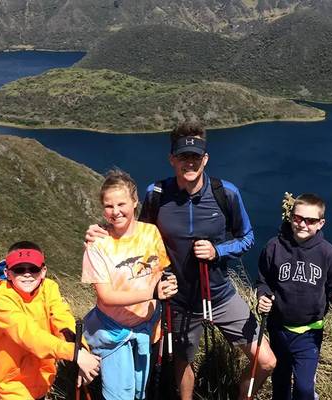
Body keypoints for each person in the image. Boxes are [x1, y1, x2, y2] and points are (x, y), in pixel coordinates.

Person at [86, 121, 276, 400]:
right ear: (172, 159)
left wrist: (217, 251)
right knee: (183, 362)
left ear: (205, 159)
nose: (190, 163)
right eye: (184, 157)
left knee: (267, 360)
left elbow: (247, 238)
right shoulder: (158, 194)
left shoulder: (226, 193)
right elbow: (137, 236)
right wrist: (104, 232)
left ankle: (241, 395)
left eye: (196, 157)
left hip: (221, 295)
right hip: (178, 302)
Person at [81, 169, 179, 400]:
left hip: (149, 329)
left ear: (135, 202)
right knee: (119, 395)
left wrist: (167, 281)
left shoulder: (151, 232)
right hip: (114, 331)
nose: (115, 212)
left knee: (140, 390)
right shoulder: (97, 245)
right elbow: (106, 296)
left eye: (121, 204)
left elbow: (160, 270)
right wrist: (153, 292)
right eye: (108, 206)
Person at [255, 193, 332, 400]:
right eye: (298, 218)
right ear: (290, 217)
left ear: (321, 223)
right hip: (278, 328)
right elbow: (263, 281)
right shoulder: (273, 247)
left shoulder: (328, 253)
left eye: (310, 221)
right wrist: (262, 296)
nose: (302, 225)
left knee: (304, 388)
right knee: (280, 382)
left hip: (310, 332)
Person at [0, 241, 101, 400]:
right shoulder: (1, 298)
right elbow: (27, 334)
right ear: (8, 273)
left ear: (43, 271)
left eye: (33, 269)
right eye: (19, 269)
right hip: (13, 385)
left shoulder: (49, 288)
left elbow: (62, 319)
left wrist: (80, 350)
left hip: (43, 379)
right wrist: (73, 353)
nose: (27, 274)